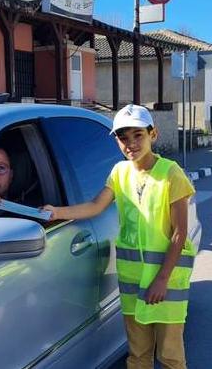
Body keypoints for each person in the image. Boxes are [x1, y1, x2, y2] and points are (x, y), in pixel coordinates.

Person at [44, 104, 196, 369]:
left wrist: (162, 279)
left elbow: (180, 232)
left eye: (138, 135)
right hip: (133, 280)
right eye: (123, 137)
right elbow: (95, 206)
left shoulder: (171, 173)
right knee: (138, 354)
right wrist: (57, 212)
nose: (131, 144)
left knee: (170, 355)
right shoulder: (119, 172)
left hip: (167, 280)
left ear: (153, 134)